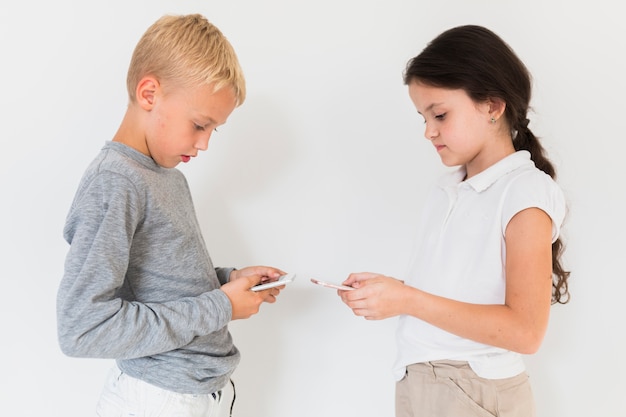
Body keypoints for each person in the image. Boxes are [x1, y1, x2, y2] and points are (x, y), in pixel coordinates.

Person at [56, 14, 287, 417]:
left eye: (214, 129)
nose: (205, 143)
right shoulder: (115, 181)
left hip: (204, 395)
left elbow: (157, 280)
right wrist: (221, 306)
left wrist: (228, 281)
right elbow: (82, 327)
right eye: (200, 125)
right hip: (158, 400)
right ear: (149, 93)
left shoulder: (166, 177)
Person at [339, 25, 570, 417]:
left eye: (440, 115)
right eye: (423, 117)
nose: (429, 132)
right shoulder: (448, 189)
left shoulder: (525, 192)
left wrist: (408, 299)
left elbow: (526, 331)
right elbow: (460, 291)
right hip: (422, 382)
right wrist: (393, 292)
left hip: (472, 389)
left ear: (493, 107)